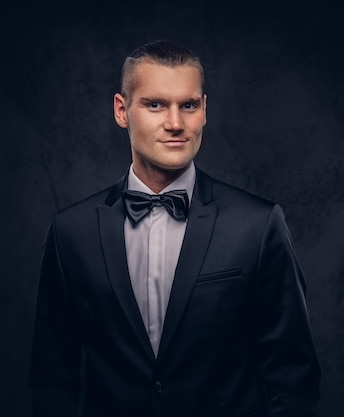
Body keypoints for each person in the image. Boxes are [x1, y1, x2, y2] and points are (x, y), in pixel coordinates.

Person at [28, 40, 321, 417]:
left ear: (204, 110)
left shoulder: (258, 225)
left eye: (188, 105)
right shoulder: (71, 232)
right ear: (122, 111)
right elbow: (53, 380)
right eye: (155, 104)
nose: (175, 123)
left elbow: (294, 379)